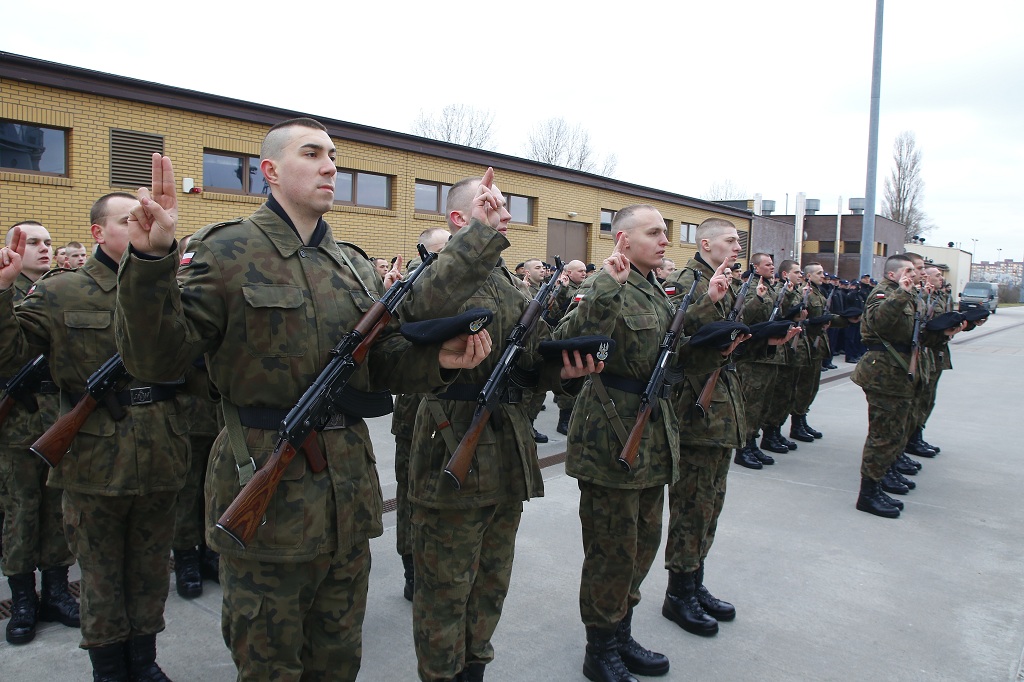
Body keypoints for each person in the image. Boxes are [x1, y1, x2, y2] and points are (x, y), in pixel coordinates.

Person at [112, 118, 492, 681]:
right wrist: (150, 263)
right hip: (268, 485)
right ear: (270, 171)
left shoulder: (352, 263)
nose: (330, 166)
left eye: (332, 155)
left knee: (338, 660)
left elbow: (376, 364)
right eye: (311, 153)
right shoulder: (228, 249)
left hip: (346, 493)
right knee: (268, 663)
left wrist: (438, 360)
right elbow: (158, 361)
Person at [400, 172, 600, 682]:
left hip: (505, 446)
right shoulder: (438, 276)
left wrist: (565, 370)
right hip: (451, 437)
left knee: (492, 578)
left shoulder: (507, 285)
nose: (507, 215)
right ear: (459, 219)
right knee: (445, 587)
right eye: (492, 206)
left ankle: (475, 667)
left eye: (505, 207)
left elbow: (532, 361)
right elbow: (418, 312)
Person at [0, 196, 190, 680]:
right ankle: (108, 669)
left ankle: (144, 662)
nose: (139, 225)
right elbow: (11, 358)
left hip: (161, 449)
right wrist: (0, 294)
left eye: (143, 218)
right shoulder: (61, 291)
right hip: (93, 456)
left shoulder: (170, 287)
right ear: (98, 234)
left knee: (150, 570)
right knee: (101, 574)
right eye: (127, 220)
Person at [554, 205, 678, 682]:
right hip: (611, 433)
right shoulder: (602, 284)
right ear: (623, 240)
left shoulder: (654, 288)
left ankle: (622, 631)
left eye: (665, 232)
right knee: (612, 548)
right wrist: (606, 286)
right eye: (654, 232)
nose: (664, 240)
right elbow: (568, 341)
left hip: (651, 431)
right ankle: (600, 647)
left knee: (643, 541)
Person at [660, 218, 752, 639]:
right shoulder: (687, 282)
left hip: (721, 410)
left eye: (738, 241)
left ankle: (695, 580)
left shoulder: (725, 281)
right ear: (706, 243)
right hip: (696, 412)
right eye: (730, 240)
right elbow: (673, 341)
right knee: (692, 505)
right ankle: (679, 592)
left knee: (711, 502)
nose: (737, 247)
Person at [0, 221, 80, 646]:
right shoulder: (5, 293)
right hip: (17, 423)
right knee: (20, 510)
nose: (44, 248)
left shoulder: (60, 291)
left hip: (58, 419)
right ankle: (22, 600)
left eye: (48, 242)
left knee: (57, 509)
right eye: (33, 242)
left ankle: (56, 591)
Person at [850, 254, 960, 518]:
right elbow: (879, 322)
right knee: (882, 435)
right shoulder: (883, 293)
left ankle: (882, 479)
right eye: (909, 270)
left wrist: (946, 332)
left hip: (900, 375)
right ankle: (868, 493)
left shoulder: (907, 295)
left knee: (896, 432)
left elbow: (914, 335)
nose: (915, 274)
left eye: (915, 270)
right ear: (892, 275)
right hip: (883, 374)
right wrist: (902, 293)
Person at [391, 225, 451, 601]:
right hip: (415, 409)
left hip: (453, 407)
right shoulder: (413, 284)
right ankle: (411, 566)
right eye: (443, 250)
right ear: (424, 252)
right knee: (411, 491)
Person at [547, 259, 588, 435]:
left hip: (581, 338)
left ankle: (573, 418)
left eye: (585, 270)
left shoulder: (585, 287)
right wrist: (561, 291)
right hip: (566, 339)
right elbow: (555, 313)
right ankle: (563, 420)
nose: (584, 273)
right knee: (568, 380)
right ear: (569, 273)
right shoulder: (561, 288)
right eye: (580, 271)